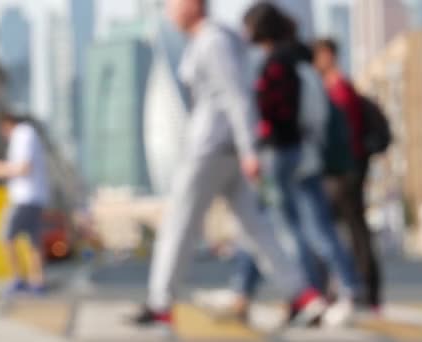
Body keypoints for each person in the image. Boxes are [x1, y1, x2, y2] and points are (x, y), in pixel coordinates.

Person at [131, 0, 326, 328]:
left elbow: (237, 96)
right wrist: (246, 148)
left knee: (179, 223)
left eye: (172, 3)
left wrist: (250, 149)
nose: (167, 9)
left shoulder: (213, 42)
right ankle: (302, 295)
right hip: (228, 150)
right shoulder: (219, 38)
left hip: (210, 149)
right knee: (256, 228)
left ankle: (161, 301)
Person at [194, 3, 360, 328]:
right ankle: (258, 291)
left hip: (280, 153)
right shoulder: (297, 59)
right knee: (275, 224)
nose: (244, 35)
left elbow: (275, 111)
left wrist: (257, 134)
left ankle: (308, 294)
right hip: (298, 153)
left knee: (278, 227)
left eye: (248, 28)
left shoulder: (278, 63)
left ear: (259, 29)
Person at [313, 38, 383, 309]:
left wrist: (342, 165)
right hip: (346, 170)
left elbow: (347, 135)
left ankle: (353, 288)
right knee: (350, 229)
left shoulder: (339, 88)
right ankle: (358, 289)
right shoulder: (337, 87)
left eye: (317, 56)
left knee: (332, 228)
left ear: (328, 56)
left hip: (344, 171)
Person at [0, 112, 49, 296]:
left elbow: (24, 168)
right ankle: (37, 281)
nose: (2, 135)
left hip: (25, 198)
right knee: (33, 242)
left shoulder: (22, 134)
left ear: (6, 124)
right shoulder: (29, 134)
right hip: (35, 197)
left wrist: (1, 169)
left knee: (5, 236)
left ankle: (17, 279)